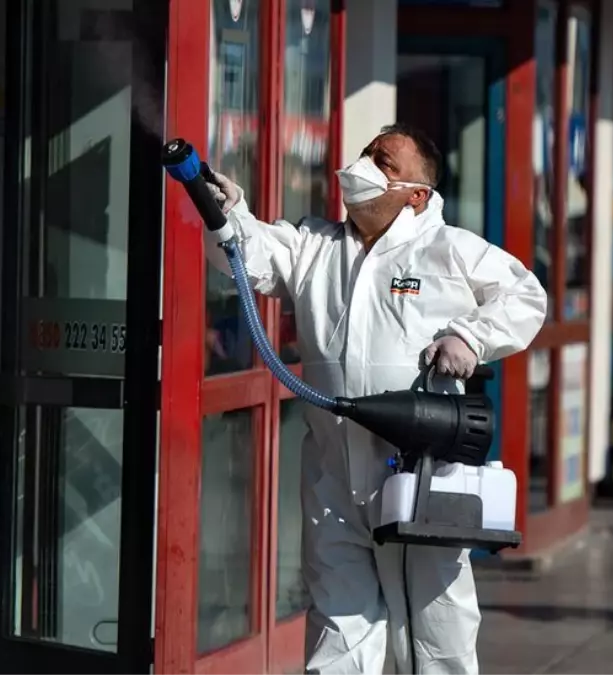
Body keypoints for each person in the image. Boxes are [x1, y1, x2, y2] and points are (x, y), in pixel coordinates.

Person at [205, 123, 548, 675]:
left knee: (435, 631)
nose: (365, 165)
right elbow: (253, 256)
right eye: (367, 153)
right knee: (340, 627)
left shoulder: (448, 250)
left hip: (419, 474)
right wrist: (227, 214)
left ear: (417, 194)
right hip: (333, 478)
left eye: (384, 162)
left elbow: (526, 295)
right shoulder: (316, 245)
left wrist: (471, 336)